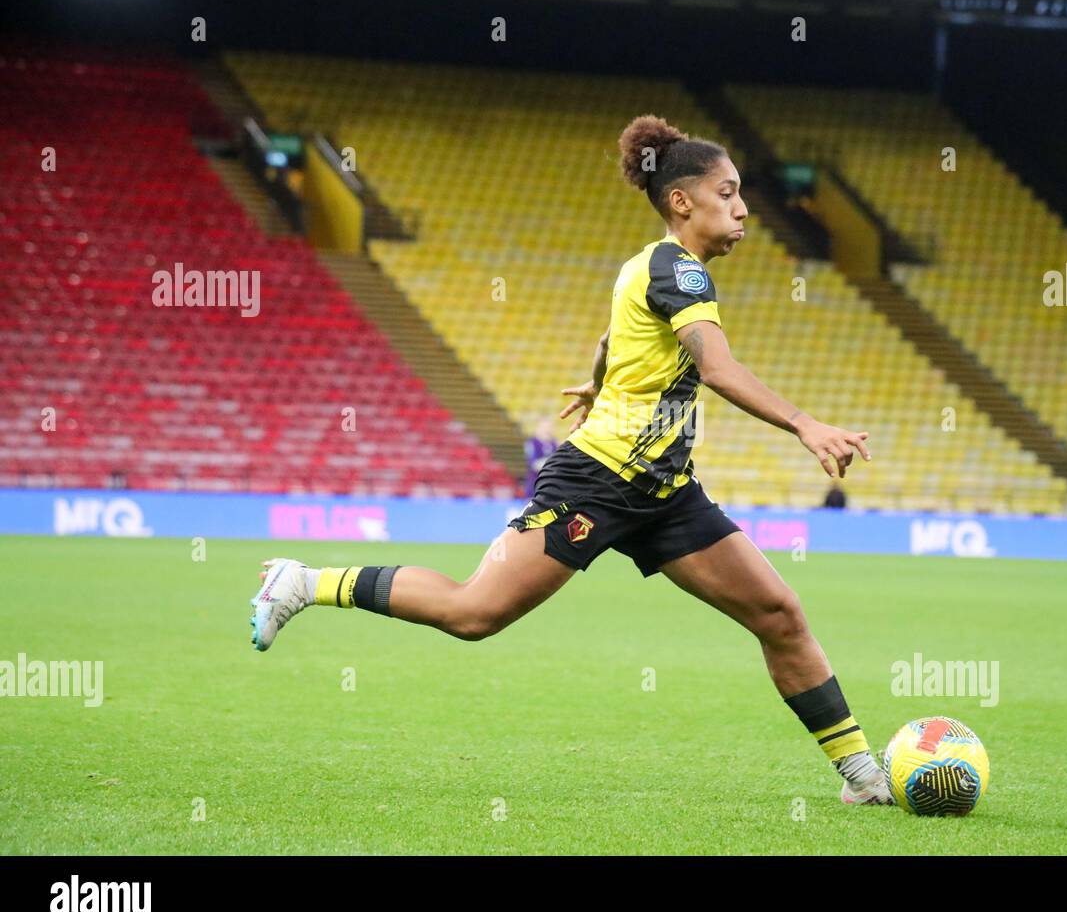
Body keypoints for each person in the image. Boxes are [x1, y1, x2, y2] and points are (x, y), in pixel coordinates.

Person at [247, 115, 890, 805]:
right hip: (597, 482)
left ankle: (862, 778)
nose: (742, 208)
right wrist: (803, 423)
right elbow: (718, 368)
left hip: (665, 492)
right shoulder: (677, 268)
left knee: (778, 614)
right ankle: (304, 581)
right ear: (683, 201)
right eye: (729, 193)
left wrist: (599, 380)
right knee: (474, 614)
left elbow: (616, 337)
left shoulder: (651, 269)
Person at [523, 416, 559, 499]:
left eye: (549, 427)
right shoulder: (532, 443)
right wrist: (552, 462)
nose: (547, 429)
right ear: (538, 427)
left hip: (551, 486)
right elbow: (534, 465)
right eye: (545, 427)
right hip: (535, 485)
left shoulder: (554, 443)